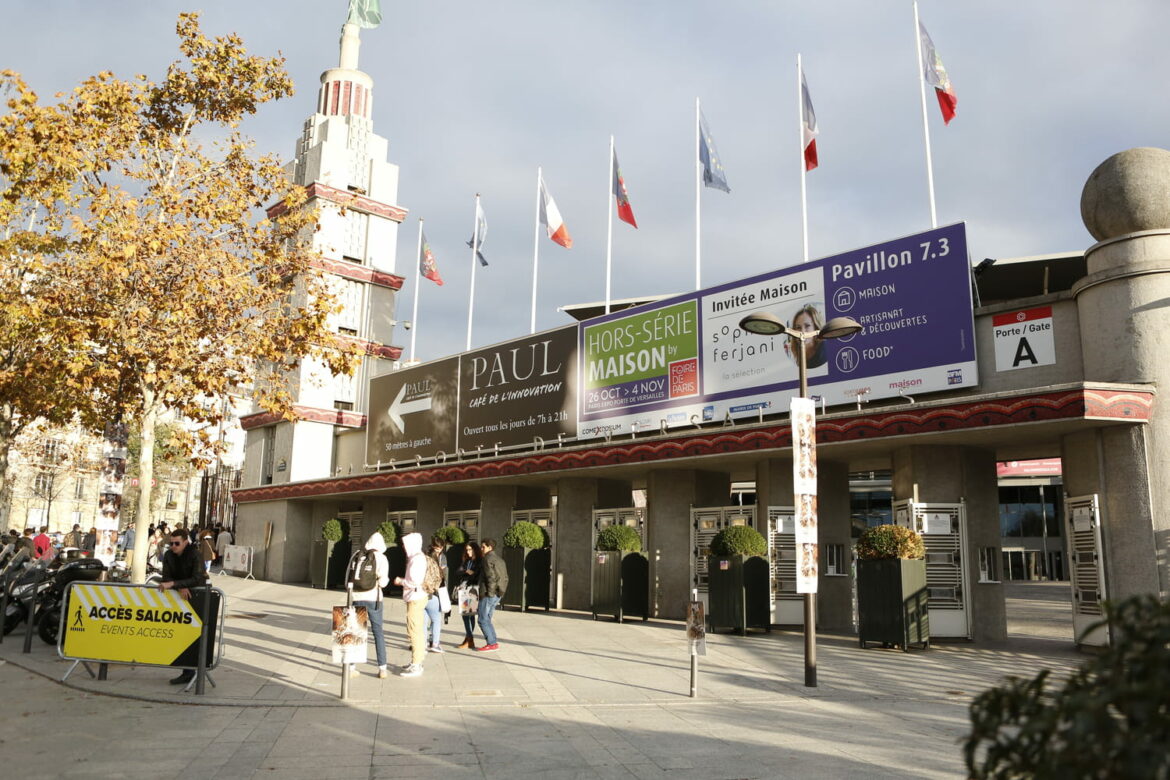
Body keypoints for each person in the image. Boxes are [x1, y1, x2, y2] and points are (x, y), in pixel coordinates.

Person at [158, 528, 208, 685]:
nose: (173, 546)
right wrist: (180, 586)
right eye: (171, 543)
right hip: (178, 596)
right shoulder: (168, 555)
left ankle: (193, 670)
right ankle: (187, 671)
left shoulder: (195, 554)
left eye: (177, 543)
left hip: (196, 597)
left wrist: (175, 584)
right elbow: (166, 577)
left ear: (185, 542)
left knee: (194, 634)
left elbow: (197, 578)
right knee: (180, 634)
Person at [350, 532, 390, 678]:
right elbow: (383, 583)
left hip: (357, 597)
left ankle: (351, 667)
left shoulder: (358, 555)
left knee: (356, 632)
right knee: (378, 632)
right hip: (374, 598)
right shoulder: (382, 558)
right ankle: (382, 668)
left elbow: (350, 576)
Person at [393, 532, 430, 677]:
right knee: (416, 630)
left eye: (405, 544)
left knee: (414, 631)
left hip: (415, 597)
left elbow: (414, 581)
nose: (403, 547)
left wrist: (400, 581)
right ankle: (416, 661)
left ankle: (416, 664)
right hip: (418, 596)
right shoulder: (418, 557)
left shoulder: (416, 559)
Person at [476, 538, 508, 652]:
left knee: (482, 619)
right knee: (487, 619)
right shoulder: (500, 560)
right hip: (497, 593)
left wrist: (489, 593)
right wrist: (501, 592)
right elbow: (505, 578)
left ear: (490, 547)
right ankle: (493, 642)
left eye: (483, 547)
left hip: (488, 593)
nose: (481, 549)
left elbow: (491, 577)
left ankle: (491, 643)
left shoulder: (487, 559)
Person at [423, 536, 449, 654]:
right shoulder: (433, 563)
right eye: (437, 548)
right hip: (433, 593)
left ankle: (423, 644)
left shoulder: (423, 559)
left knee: (424, 620)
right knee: (436, 619)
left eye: (441, 547)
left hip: (422, 593)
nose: (439, 550)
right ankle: (435, 643)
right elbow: (440, 579)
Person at [454, 542, 481, 650]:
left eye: (470, 549)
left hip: (473, 589)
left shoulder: (479, 561)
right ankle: (469, 638)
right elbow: (457, 571)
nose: (468, 552)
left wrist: (469, 573)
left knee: (469, 615)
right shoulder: (467, 561)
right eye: (467, 550)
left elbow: (476, 575)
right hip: (464, 589)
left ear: (475, 550)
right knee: (465, 615)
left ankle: (469, 639)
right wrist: (466, 571)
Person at [785, 304, 827, 369]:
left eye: (807, 326)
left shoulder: (825, 350)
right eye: (798, 327)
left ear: (816, 327)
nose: (802, 331)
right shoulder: (797, 353)